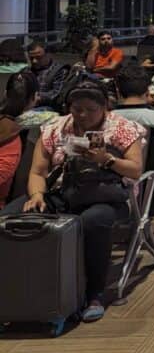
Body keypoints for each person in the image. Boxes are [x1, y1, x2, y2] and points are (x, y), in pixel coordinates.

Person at [1, 82, 145, 322]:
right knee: (10, 219)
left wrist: (107, 159)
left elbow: (135, 170)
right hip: (62, 193)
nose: (83, 115)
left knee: (92, 221)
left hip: (106, 196)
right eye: (77, 109)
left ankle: (93, 294)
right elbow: (38, 171)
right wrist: (36, 195)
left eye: (90, 109)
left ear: (105, 108)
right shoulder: (56, 128)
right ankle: (18, 292)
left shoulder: (122, 128)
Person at [27, 41, 69, 108]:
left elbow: (57, 93)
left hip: (48, 107)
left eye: (38, 58)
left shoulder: (59, 70)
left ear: (49, 54)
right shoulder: (26, 71)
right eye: (31, 58)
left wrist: (35, 97)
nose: (34, 61)